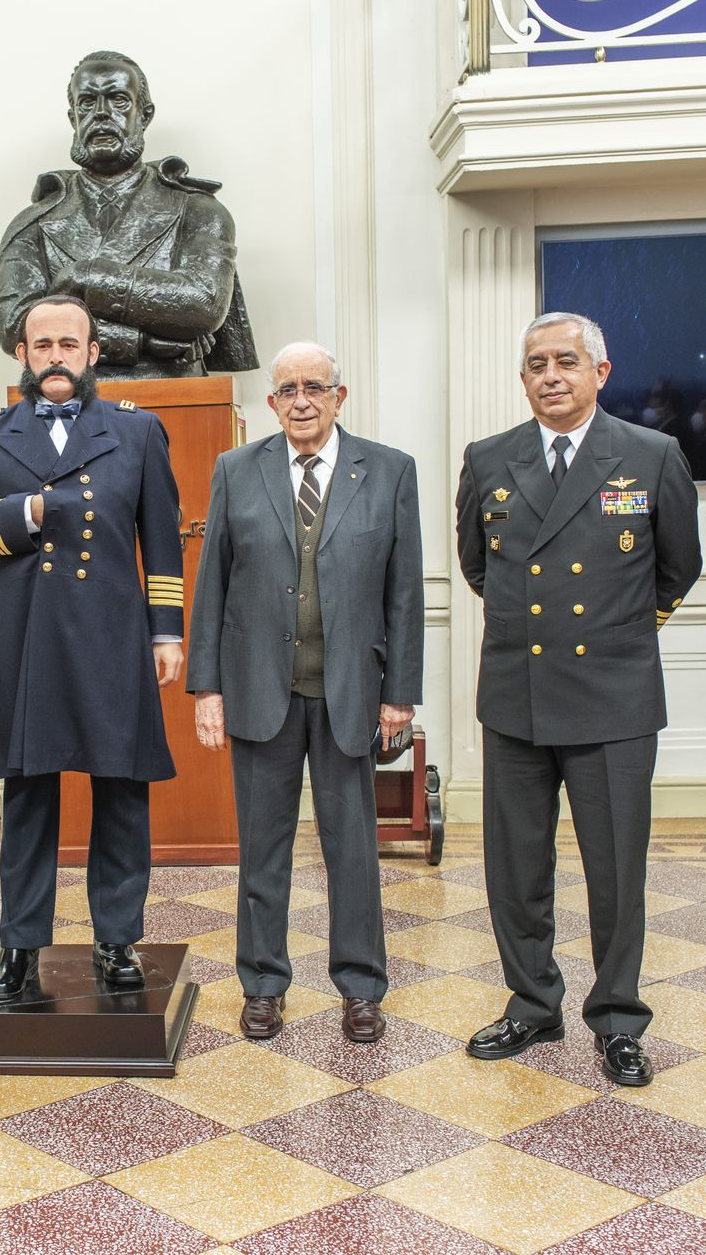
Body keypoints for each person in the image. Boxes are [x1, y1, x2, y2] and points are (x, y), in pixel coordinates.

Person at [455, 312, 701, 1087]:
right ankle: (533, 1002)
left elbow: (679, 567)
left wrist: (619, 630)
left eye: (566, 361)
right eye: (536, 364)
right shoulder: (488, 458)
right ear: (522, 378)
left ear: (601, 371)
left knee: (616, 870)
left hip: (614, 696)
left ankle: (618, 1017)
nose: (551, 375)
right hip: (518, 693)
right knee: (515, 866)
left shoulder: (650, 454)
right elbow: (478, 566)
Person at [0, 294, 183, 1002]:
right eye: (42, 345)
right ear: (22, 354)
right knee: (28, 798)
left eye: (68, 345)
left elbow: (161, 539)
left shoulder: (138, 432)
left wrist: (167, 632)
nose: (56, 357)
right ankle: (20, 945)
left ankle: (117, 940)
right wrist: (28, 511)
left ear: (92, 353)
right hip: (27, 639)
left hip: (114, 637)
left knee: (121, 794)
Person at [188, 342, 422, 1044]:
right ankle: (263, 984)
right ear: (271, 402)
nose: (300, 400)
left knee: (352, 850)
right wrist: (207, 687)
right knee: (263, 850)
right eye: (287, 389)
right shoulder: (236, 470)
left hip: (352, 693)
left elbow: (404, 592)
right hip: (261, 691)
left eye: (314, 387)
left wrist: (400, 694)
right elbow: (211, 586)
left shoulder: (389, 470)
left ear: (338, 396)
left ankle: (361, 987)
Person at [0, 50, 256, 378]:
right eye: (87, 102)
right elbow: (15, 327)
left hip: (175, 397)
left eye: (118, 100)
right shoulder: (32, 224)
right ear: (73, 118)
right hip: (68, 397)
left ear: (144, 115)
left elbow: (204, 304)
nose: (101, 113)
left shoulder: (200, 211)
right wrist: (139, 341)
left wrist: (84, 277)